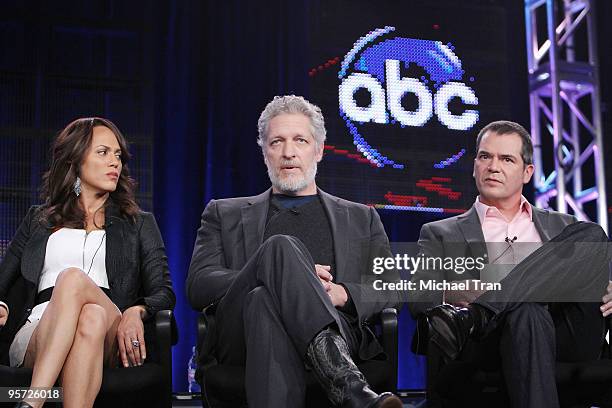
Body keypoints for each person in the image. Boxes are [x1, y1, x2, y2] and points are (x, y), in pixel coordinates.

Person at [187, 95, 402, 408]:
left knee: (263, 301)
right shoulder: (224, 212)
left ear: (318, 150)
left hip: (339, 329)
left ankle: (339, 374)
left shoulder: (360, 217)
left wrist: (342, 293)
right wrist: (280, 274)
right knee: (279, 249)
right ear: (265, 153)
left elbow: (391, 286)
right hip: (240, 338)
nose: (288, 152)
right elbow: (199, 285)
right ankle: (350, 387)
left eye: (299, 140)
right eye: (277, 142)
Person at [409, 120, 611, 408]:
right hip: (495, 341)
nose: (493, 166)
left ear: (527, 172)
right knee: (527, 314)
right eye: (485, 156)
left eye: (506, 159)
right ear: (474, 165)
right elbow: (416, 295)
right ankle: (487, 314)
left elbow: (589, 283)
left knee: (594, 234)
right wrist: (449, 294)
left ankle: (480, 312)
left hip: (567, 335)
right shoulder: (441, 232)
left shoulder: (565, 225)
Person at [0, 117, 176, 408]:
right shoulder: (38, 220)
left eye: (118, 155)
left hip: (111, 327)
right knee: (89, 317)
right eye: (103, 152)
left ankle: (32, 401)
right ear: (75, 160)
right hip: (39, 330)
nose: (115, 162)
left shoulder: (138, 224)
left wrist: (137, 310)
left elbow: (164, 290)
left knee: (75, 283)